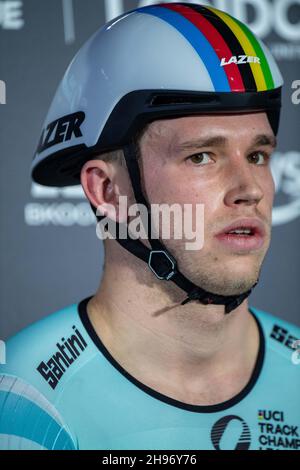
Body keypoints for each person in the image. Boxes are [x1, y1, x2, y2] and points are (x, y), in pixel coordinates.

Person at [0, 2, 299, 451]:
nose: (249, 189)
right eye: (202, 156)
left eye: (257, 155)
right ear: (106, 191)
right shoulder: (26, 399)